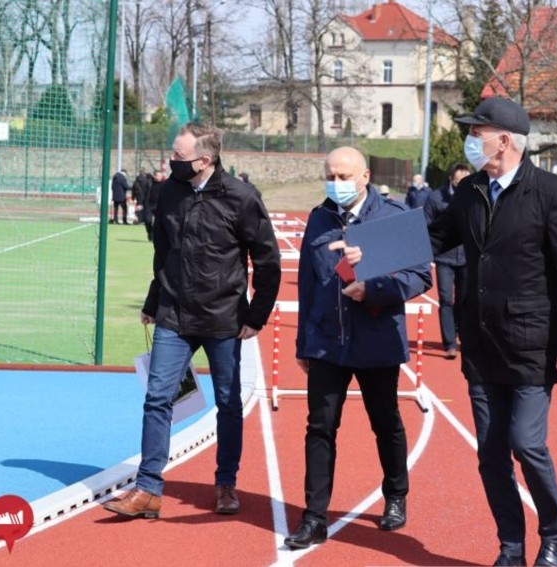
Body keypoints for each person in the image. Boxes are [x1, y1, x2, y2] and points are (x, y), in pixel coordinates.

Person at [337, 97, 557, 567]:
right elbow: (431, 237)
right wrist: (366, 255)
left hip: (532, 343)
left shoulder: (552, 193)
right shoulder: (472, 190)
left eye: (478, 132)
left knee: (527, 443)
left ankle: (555, 535)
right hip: (481, 341)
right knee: (491, 453)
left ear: (505, 140)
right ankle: (511, 545)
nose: (470, 140)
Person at [103, 122, 281, 519]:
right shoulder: (169, 193)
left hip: (224, 319)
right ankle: (148, 488)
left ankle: (225, 485)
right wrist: (153, 301)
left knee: (228, 403)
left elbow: (268, 261)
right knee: (157, 398)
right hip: (174, 315)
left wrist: (257, 316)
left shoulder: (241, 197)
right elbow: (163, 252)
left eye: (179, 156)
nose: (171, 161)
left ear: (205, 159)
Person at [283, 146, 432, 549]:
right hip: (327, 342)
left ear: (365, 176)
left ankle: (396, 494)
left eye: (345, 176)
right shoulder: (318, 219)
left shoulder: (395, 215)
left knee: (385, 422)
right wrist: (303, 343)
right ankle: (314, 517)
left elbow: (420, 276)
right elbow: (310, 284)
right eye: (331, 175)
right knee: (320, 426)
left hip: (376, 339)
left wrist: (375, 287)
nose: (337, 182)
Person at [423, 162, 471, 359]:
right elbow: (427, 226)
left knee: (465, 299)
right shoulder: (436, 198)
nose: (462, 185)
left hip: (467, 257)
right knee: (445, 299)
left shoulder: (474, 196)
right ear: (451, 179)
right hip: (444, 257)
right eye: (459, 182)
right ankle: (449, 342)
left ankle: (463, 334)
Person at [142, 170, 163, 241]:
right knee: (147, 221)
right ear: (154, 176)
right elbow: (143, 194)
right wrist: (140, 203)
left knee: (158, 223)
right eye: (158, 176)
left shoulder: (164, 184)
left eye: (161, 176)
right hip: (149, 205)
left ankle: (155, 236)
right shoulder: (148, 183)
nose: (160, 177)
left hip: (160, 206)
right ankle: (149, 233)